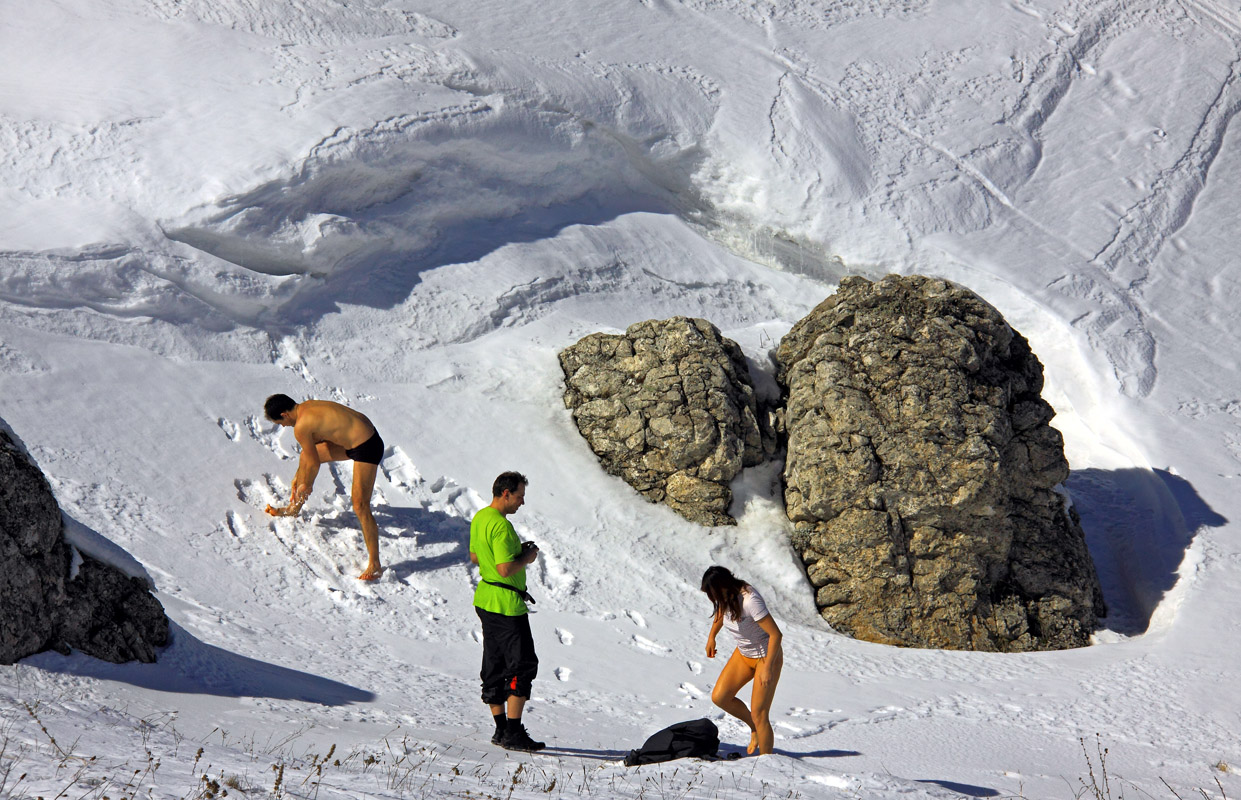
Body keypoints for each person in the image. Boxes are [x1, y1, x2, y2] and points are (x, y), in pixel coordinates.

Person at [263, 393, 385, 581]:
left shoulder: (301, 427)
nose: (282, 426)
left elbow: (313, 464)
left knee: (360, 506)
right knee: (306, 457)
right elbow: (309, 455)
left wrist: (305, 484)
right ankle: (293, 509)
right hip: (360, 436)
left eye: (280, 422)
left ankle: (375, 565)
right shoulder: (307, 407)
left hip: (368, 446)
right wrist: (299, 477)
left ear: (284, 415)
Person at [469, 471, 545, 752]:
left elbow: (476, 556)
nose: (521, 503)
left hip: (486, 599)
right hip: (506, 605)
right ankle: (513, 731)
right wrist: (526, 557)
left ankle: (501, 729)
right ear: (506, 493)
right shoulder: (501, 526)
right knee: (522, 664)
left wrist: (513, 553)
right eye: (520, 497)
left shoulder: (480, 518)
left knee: (495, 663)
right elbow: (504, 568)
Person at [701, 565, 784, 755]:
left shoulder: (750, 601)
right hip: (744, 654)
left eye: (713, 594)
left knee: (760, 713)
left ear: (724, 586)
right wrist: (712, 636)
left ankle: (767, 761)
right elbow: (721, 611)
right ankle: (753, 727)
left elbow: (776, 635)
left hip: (766, 656)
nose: (713, 600)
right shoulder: (725, 596)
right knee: (720, 697)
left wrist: (768, 668)